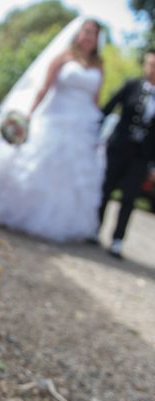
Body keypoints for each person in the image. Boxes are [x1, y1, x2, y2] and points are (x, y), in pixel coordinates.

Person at [0, 17, 105, 243]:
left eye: (93, 33)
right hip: (54, 118)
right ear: (78, 34)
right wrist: (28, 115)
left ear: (97, 39)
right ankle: (11, 208)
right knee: (35, 165)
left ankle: (55, 222)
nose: (89, 36)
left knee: (67, 177)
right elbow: (44, 89)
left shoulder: (99, 66)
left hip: (80, 126)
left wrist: (96, 130)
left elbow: (95, 101)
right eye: (86, 31)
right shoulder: (63, 58)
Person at [96, 49, 155, 259]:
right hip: (119, 148)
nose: (152, 69)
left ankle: (118, 240)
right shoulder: (132, 86)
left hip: (142, 156)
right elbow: (108, 108)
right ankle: (95, 228)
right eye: (150, 64)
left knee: (129, 197)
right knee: (106, 188)